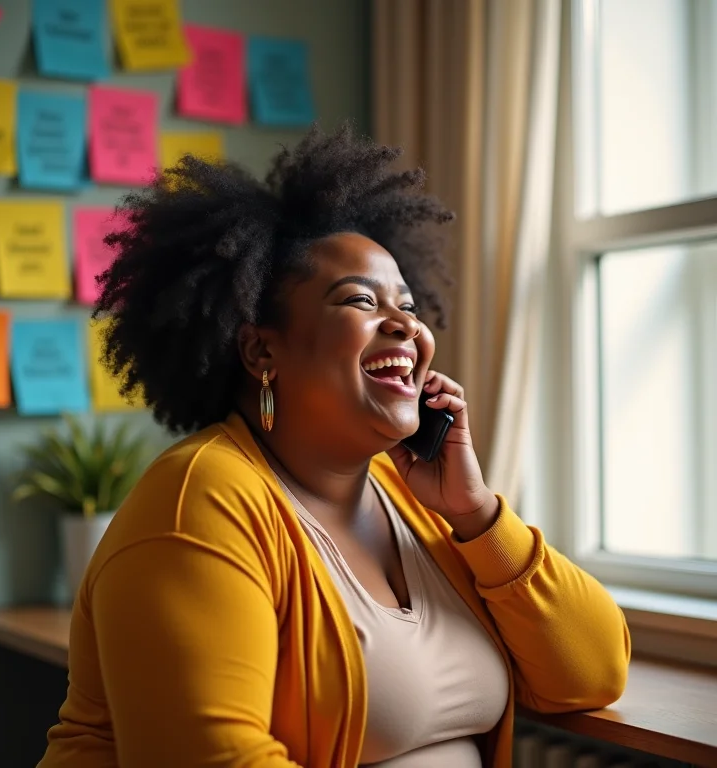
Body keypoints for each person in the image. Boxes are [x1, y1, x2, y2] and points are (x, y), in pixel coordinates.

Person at [38, 124, 630, 768]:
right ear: (263, 349)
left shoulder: (418, 502)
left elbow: (592, 672)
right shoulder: (200, 504)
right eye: (360, 301)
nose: (405, 324)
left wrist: (476, 514)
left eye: (407, 305)